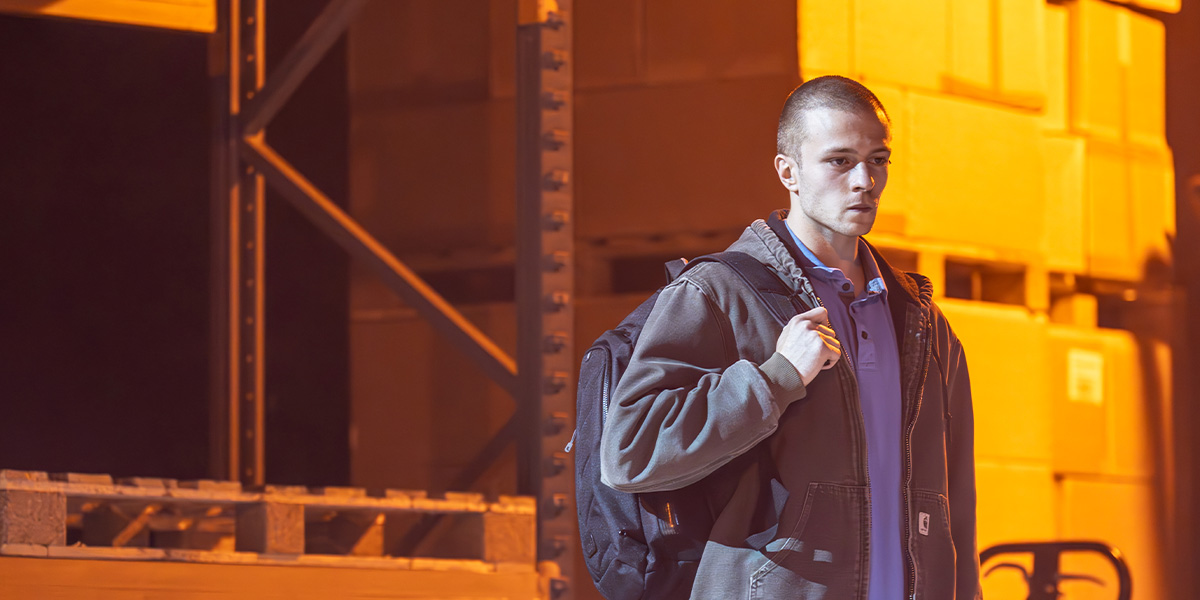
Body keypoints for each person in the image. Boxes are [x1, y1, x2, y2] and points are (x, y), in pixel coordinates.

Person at [599, 75, 981, 599]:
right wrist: (775, 380)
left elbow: (955, 500)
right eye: (839, 160)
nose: (864, 180)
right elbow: (628, 452)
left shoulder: (920, 322)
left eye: (878, 160)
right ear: (789, 171)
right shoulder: (720, 294)